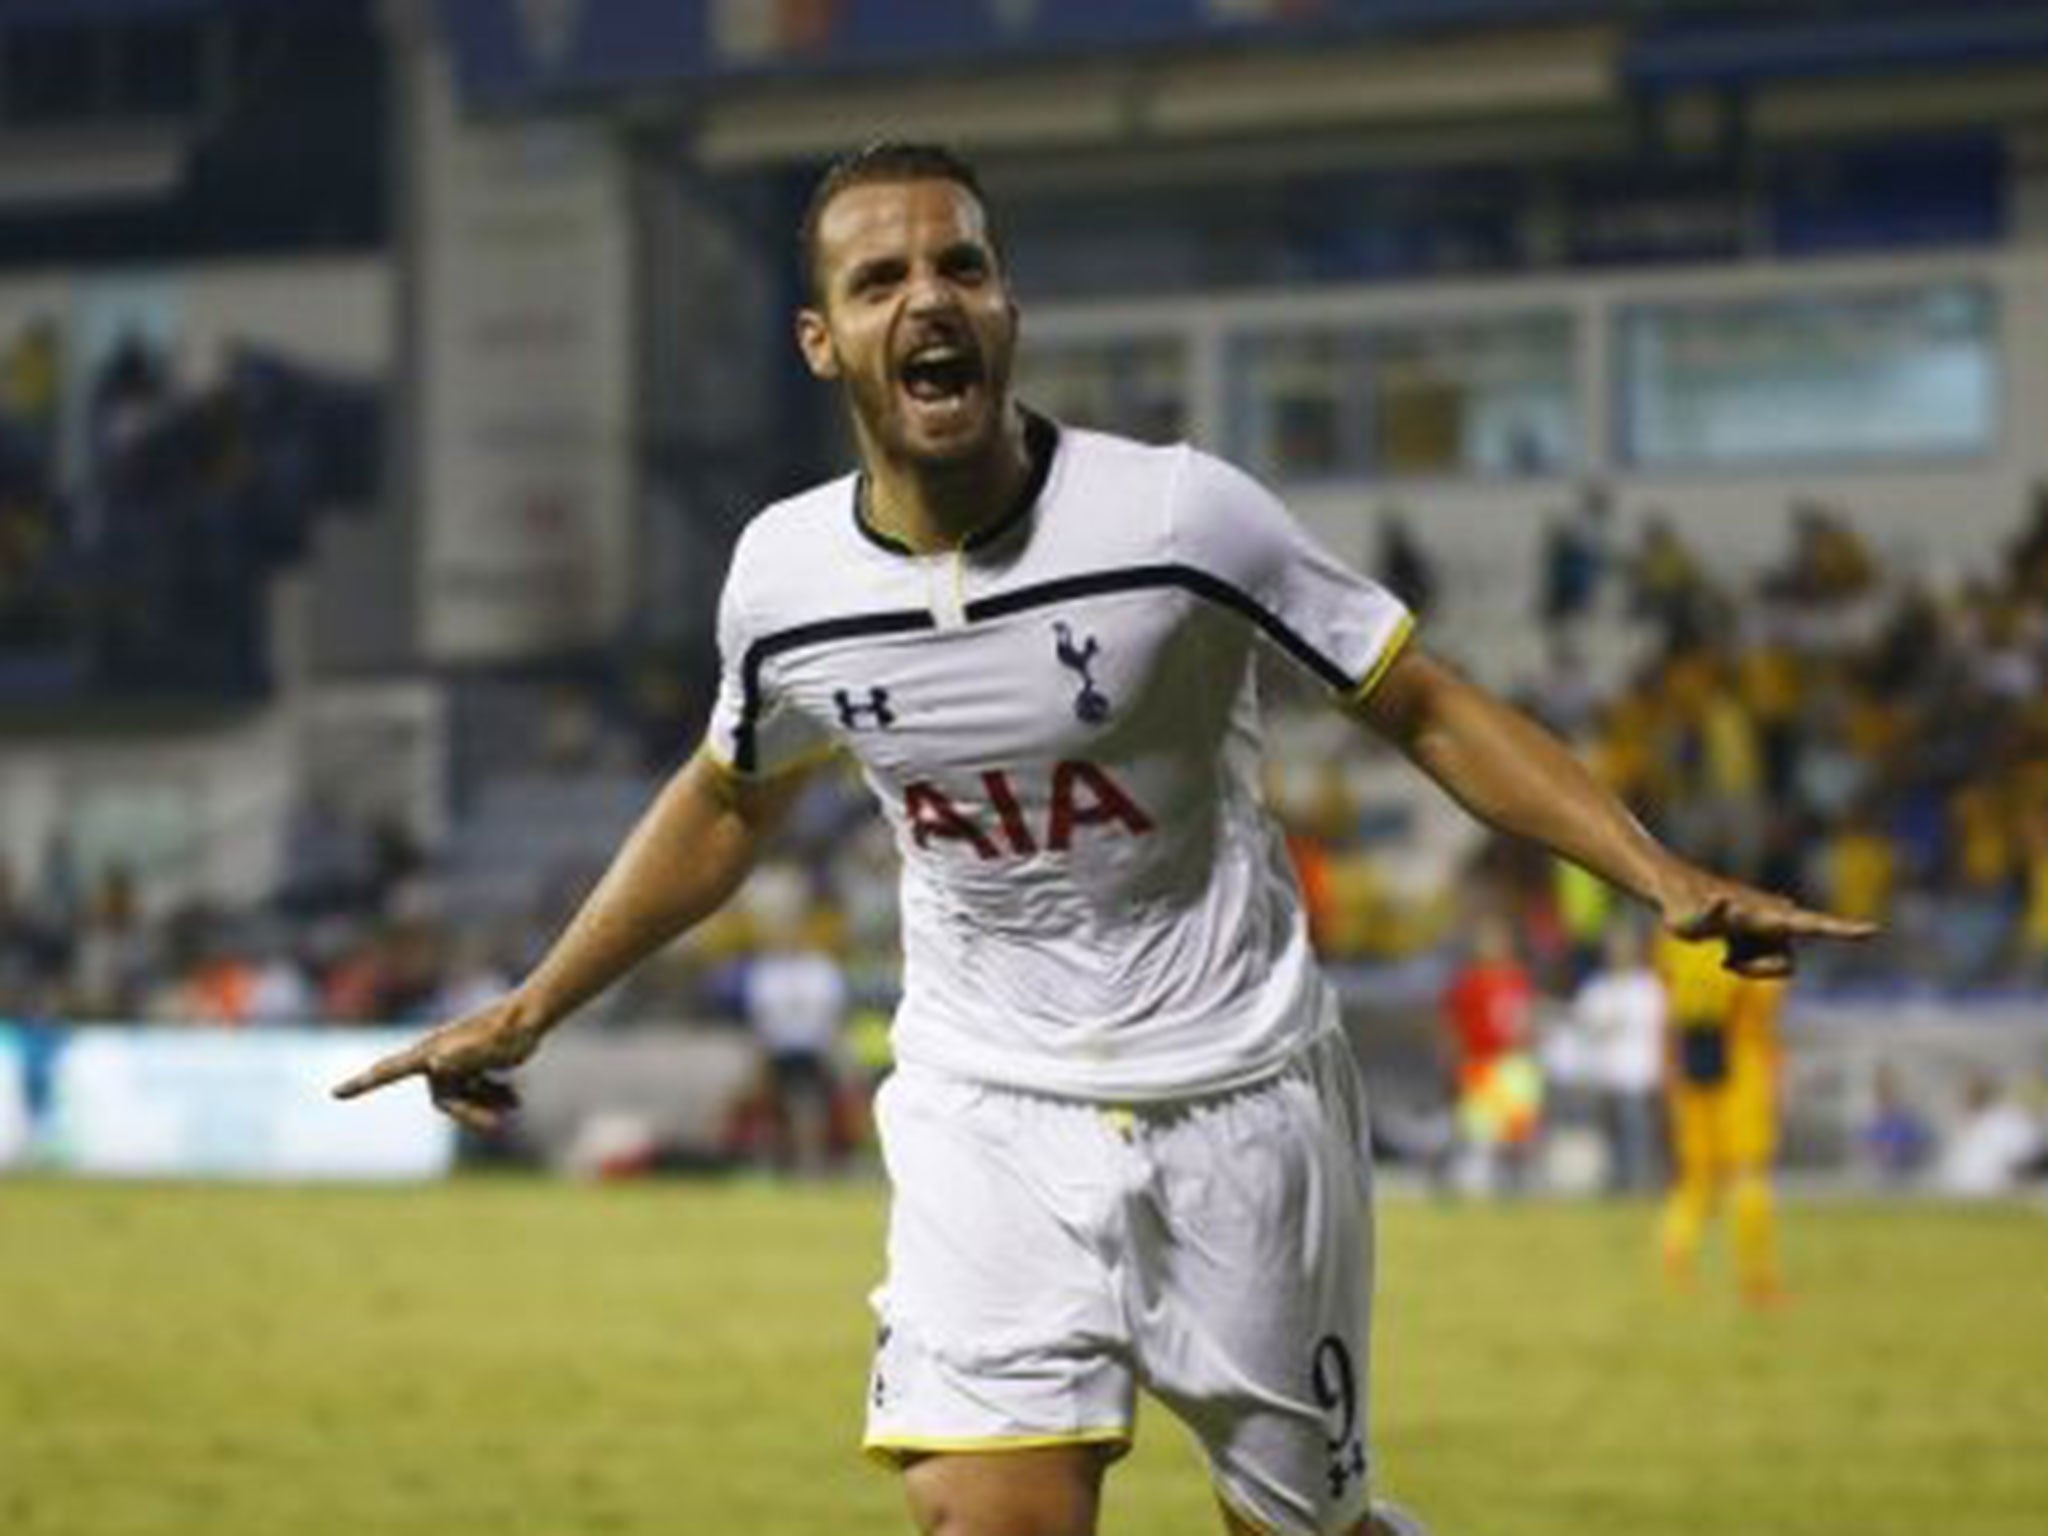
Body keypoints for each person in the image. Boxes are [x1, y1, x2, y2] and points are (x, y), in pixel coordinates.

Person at [333, 142, 1871, 1536]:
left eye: (963, 266)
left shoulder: (1180, 522)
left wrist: (1661, 877)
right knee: (985, 1516)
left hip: (1240, 1099)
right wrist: (534, 1004)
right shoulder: (784, 577)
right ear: (824, 343)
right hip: (985, 1103)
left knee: (1300, 1530)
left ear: (1006, 306)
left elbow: (1426, 708)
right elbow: (730, 792)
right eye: (881, 279)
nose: (928, 298)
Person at [1655, 932, 1789, 1307]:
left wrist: (1668, 1073)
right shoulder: (1752, 938)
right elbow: (1768, 1008)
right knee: (1748, 1174)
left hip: (1692, 1070)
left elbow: (1668, 1011)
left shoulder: (1676, 940)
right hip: (1741, 1065)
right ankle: (1757, 1282)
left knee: (1697, 1180)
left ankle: (1676, 1263)